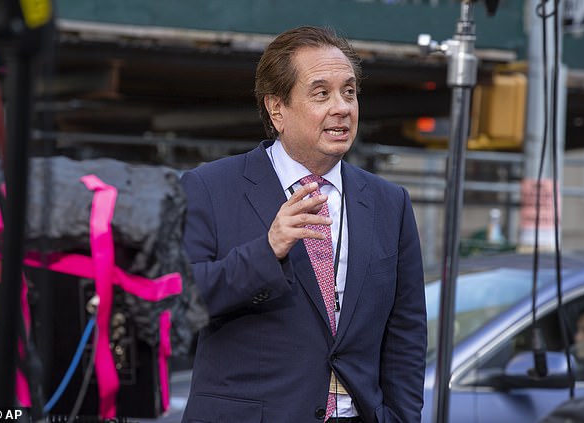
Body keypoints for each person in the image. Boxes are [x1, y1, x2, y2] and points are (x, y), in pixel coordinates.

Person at [180, 26, 427, 423]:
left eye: (349, 92)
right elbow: (179, 300)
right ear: (277, 109)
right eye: (321, 93)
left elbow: (406, 333)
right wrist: (267, 250)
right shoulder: (209, 187)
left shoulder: (389, 202)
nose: (342, 107)